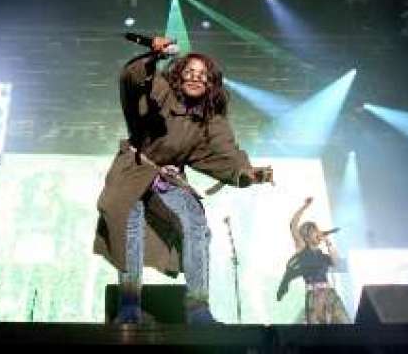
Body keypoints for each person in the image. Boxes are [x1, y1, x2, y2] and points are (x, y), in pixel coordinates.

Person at [93, 36, 274, 325]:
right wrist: (153, 58)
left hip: (169, 178)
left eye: (202, 75)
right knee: (130, 226)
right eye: (189, 72)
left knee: (197, 224)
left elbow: (226, 150)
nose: (195, 78)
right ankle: (129, 307)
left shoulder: (209, 117)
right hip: (135, 170)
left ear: (211, 84)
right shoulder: (163, 91)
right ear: (178, 75)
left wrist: (245, 172)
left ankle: (198, 308)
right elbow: (132, 81)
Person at [276, 197, 349, 324]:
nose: (319, 233)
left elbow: (336, 262)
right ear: (307, 236)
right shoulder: (303, 249)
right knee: (317, 333)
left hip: (329, 294)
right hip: (314, 295)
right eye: (315, 231)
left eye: (318, 231)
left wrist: (329, 244)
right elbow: (293, 225)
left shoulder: (322, 255)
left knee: (345, 324)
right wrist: (304, 206)